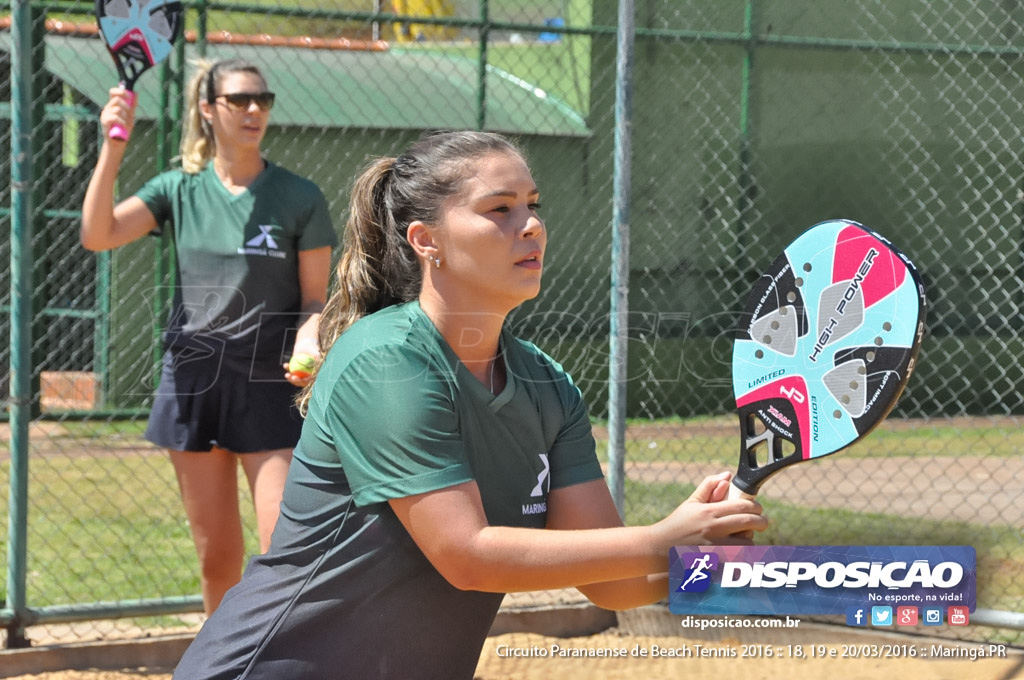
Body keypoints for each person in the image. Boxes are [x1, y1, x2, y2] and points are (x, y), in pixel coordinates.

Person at [172, 130, 767, 679]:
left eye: (534, 205)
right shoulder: (386, 361)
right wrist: (662, 537)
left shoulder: (547, 385)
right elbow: (467, 556)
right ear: (425, 240)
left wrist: (711, 562)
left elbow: (610, 584)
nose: (530, 225)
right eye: (499, 209)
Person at [81, 58, 337, 615]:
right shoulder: (178, 187)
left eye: (262, 100)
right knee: (217, 558)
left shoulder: (299, 196)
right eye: (239, 100)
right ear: (207, 109)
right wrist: (112, 147)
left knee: (284, 551)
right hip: (193, 380)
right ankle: (220, 666)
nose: (253, 111)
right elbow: (98, 234)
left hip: (269, 383)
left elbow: (315, 299)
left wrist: (309, 338)